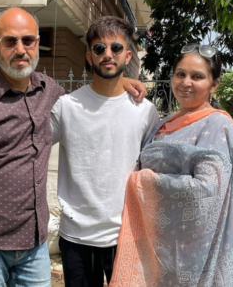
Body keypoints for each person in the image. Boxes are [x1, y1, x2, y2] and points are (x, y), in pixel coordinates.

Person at [0, 7, 147, 287]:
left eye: (28, 40)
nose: (20, 49)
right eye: (10, 41)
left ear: (37, 43)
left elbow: (95, 97)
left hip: (34, 246)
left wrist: (121, 80)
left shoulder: (50, 92)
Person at [110, 44, 233, 287]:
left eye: (197, 77)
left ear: (214, 84)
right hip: (156, 245)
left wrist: (144, 182)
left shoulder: (218, 125)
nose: (186, 82)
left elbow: (208, 191)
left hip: (194, 252)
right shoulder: (164, 122)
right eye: (180, 74)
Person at [50, 15, 160, 287]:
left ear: (128, 55)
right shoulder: (67, 106)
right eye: (99, 48)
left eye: (116, 48)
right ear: (89, 56)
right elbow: (29, 146)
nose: (107, 54)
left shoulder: (145, 111)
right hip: (76, 236)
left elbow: (155, 169)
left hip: (126, 234)